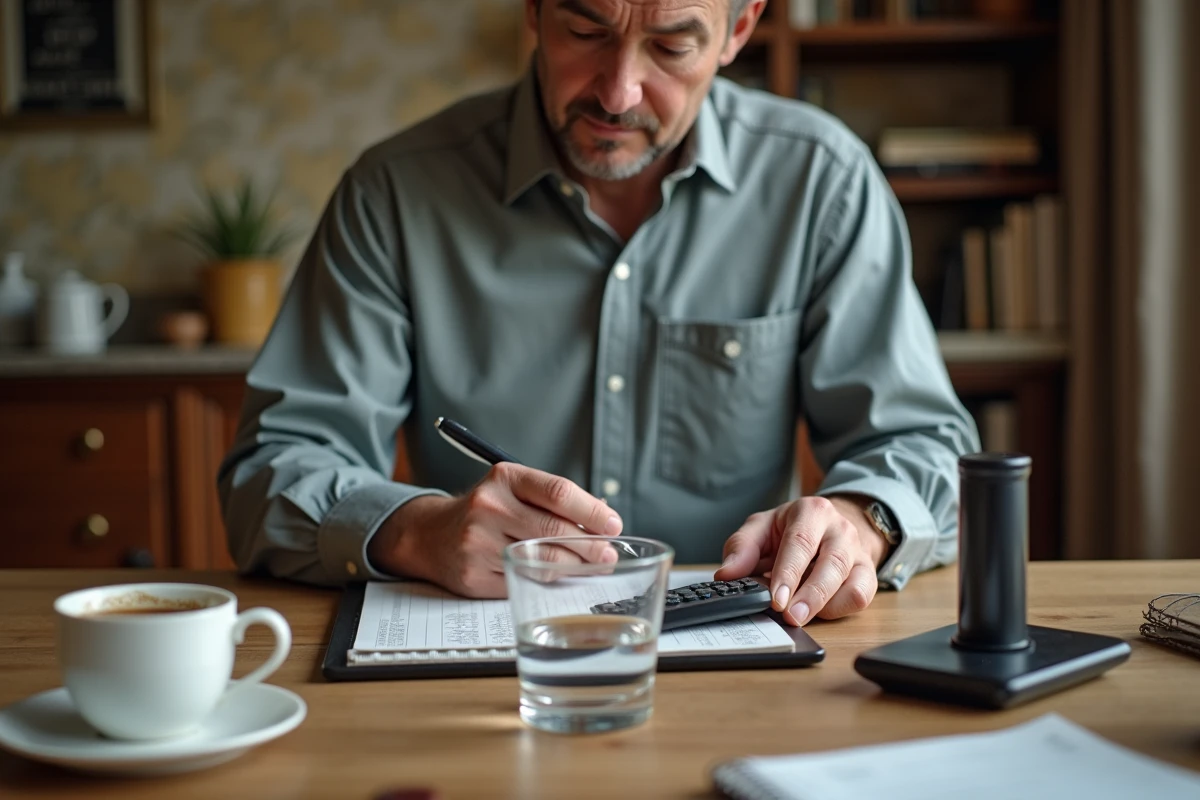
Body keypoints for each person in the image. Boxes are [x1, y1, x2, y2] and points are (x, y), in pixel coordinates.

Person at [218, 0, 979, 628]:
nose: (618, 92)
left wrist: (860, 520)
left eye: (672, 45)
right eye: (586, 31)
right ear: (535, 12)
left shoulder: (822, 183)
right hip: (482, 659)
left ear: (738, 30)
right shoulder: (395, 194)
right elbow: (273, 467)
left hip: (745, 651)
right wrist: (418, 533)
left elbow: (924, 443)